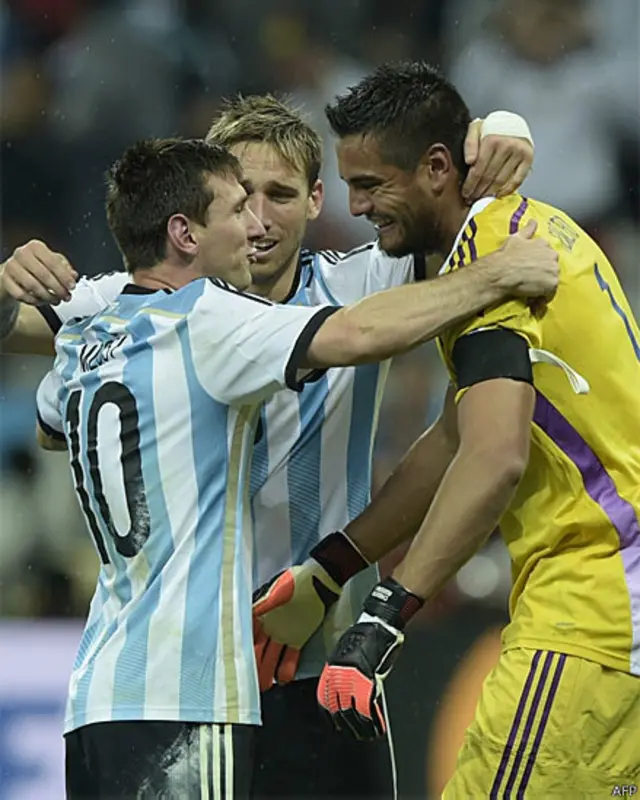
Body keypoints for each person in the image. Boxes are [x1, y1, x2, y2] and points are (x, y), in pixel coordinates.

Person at [2, 104, 559, 799]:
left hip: (314, 671)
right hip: (205, 676)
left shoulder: (365, 279)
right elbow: (19, 330)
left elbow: (458, 213)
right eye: (242, 197)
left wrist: (503, 130)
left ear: (317, 201)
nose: (259, 221)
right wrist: (3, 283)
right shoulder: (146, 300)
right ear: (194, 214)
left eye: (281, 196)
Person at [256, 62, 640, 796]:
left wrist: (385, 615)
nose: (357, 205)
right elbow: (458, 436)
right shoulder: (514, 231)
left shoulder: (497, 260)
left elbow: (495, 458)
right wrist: (336, 563)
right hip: (615, 611)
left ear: (437, 167)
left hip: (590, 607)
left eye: (371, 184)